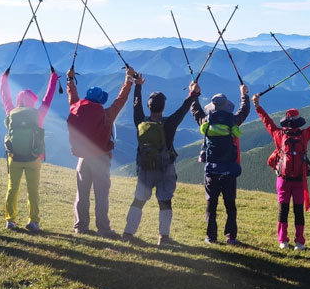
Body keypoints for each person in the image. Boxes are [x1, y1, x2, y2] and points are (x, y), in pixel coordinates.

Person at [122, 76, 200, 245]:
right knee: (165, 202)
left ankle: (128, 234)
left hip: (145, 168)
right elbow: (183, 109)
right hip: (165, 169)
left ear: (149, 107)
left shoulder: (140, 122)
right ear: (163, 107)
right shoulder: (169, 124)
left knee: (139, 200)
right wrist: (193, 94)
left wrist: (138, 87)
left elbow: (136, 105)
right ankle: (163, 238)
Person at [68, 66, 135, 237]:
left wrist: (70, 80)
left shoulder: (76, 108)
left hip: (82, 158)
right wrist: (128, 80)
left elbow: (73, 97)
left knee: (82, 194)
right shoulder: (106, 114)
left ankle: (80, 226)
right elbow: (121, 100)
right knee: (101, 196)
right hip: (100, 158)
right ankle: (103, 229)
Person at [252, 92, 310, 251]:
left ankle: (282, 241)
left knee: (283, 209)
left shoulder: (279, 135)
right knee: (298, 211)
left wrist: (257, 106)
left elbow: (268, 122)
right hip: (299, 178)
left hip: (283, 178)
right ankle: (300, 242)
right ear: (298, 121)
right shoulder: (304, 135)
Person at [0, 66, 59, 231]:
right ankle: (34, 221)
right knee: (33, 191)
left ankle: (10, 220)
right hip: (34, 158)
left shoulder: (11, 112)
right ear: (32, 101)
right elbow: (48, 98)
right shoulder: (38, 114)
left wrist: (3, 79)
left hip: (14, 157)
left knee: (13, 188)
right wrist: (53, 78)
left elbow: (5, 95)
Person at [190, 84, 250, 245]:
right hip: (229, 169)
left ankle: (211, 237)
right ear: (227, 106)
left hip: (211, 170)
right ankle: (231, 236)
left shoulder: (206, 122)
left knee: (212, 204)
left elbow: (195, 111)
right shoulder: (232, 121)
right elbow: (244, 111)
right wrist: (244, 94)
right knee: (230, 204)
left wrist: (194, 94)